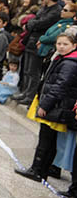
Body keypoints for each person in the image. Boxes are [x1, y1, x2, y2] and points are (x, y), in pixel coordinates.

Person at [14, 28, 77, 184]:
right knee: (49, 140)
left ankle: (37, 170)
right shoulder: (63, 59)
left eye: (65, 44)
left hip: (56, 106)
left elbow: (60, 86)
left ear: (74, 45)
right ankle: (42, 170)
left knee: (46, 140)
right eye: (59, 43)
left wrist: (45, 105)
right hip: (57, 105)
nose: (61, 47)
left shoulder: (69, 63)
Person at [13, 0, 63, 105]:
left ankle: (30, 95)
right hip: (31, 40)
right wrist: (31, 23)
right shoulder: (43, 9)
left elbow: (41, 23)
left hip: (39, 42)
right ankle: (24, 92)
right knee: (27, 69)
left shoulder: (55, 11)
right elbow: (34, 20)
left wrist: (32, 24)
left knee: (34, 71)